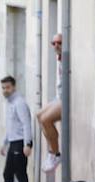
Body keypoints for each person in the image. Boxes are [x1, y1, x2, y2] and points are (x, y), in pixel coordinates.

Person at [0, 76, 32, 182]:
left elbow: (26, 124)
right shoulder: (10, 103)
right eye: (3, 88)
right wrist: (5, 143)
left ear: (14, 87)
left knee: (21, 174)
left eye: (8, 87)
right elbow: (11, 126)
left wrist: (28, 144)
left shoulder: (19, 103)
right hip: (13, 142)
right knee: (8, 174)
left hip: (20, 142)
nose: (5, 90)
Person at [39, 33, 64, 172]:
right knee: (39, 116)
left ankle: (56, 154)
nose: (56, 46)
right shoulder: (59, 57)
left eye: (59, 43)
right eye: (53, 43)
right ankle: (51, 152)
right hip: (59, 96)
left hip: (64, 98)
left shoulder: (67, 57)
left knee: (46, 119)